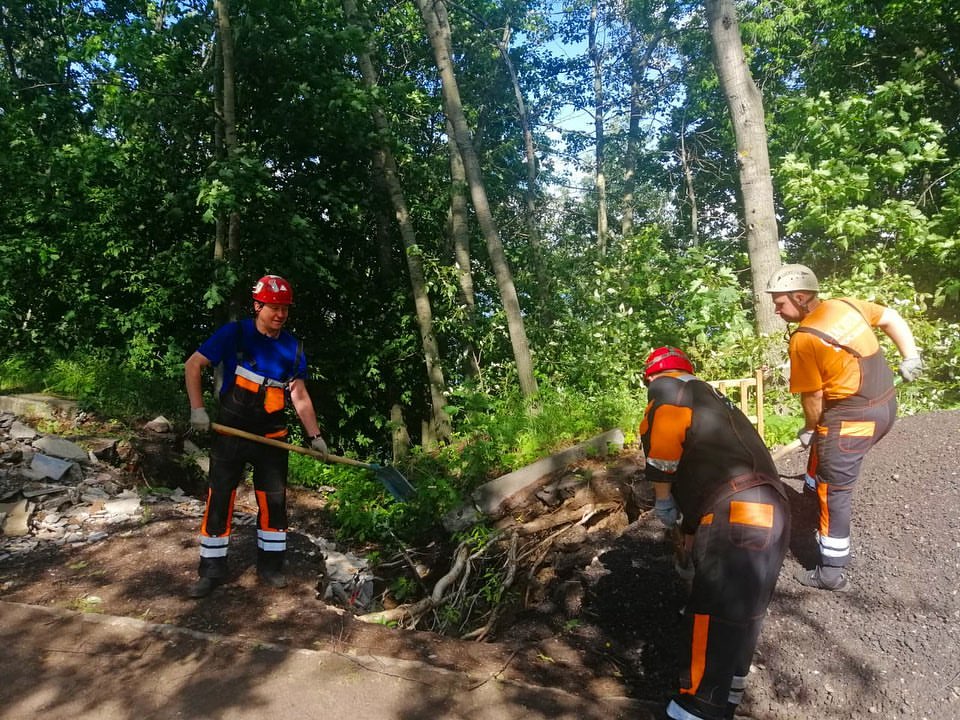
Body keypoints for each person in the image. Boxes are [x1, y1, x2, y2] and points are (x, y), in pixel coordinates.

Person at [639, 346, 790, 720]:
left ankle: (696, 707)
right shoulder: (717, 403)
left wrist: (661, 499)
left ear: (651, 378)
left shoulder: (669, 390)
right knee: (743, 615)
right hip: (773, 510)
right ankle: (724, 701)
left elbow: (663, 450)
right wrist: (691, 531)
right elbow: (711, 471)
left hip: (736, 510)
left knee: (710, 612)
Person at [765, 264, 923, 591]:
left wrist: (809, 428)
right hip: (885, 405)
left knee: (834, 490)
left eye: (780, 303)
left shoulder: (805, 339)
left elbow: (814, 396)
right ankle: (811, 492)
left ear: (801, 296)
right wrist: (910, 357)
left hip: (853, 422)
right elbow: (892, 317)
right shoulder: (845, 305)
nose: (776, 310)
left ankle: (830, 571)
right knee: (825, 456)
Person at [184, 275, 328, 599]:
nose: (279, 314)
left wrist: (314, 435)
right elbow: (193, 365)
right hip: (230, 432)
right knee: (220, 497)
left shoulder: (292, 348)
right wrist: (198, 410)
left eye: (284, 309)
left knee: (273, 501)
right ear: (258, 306)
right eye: (273, 308)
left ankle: (271, 566)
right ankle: (211, 570)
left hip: (272, 438)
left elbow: (299, 394)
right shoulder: (235, 335)